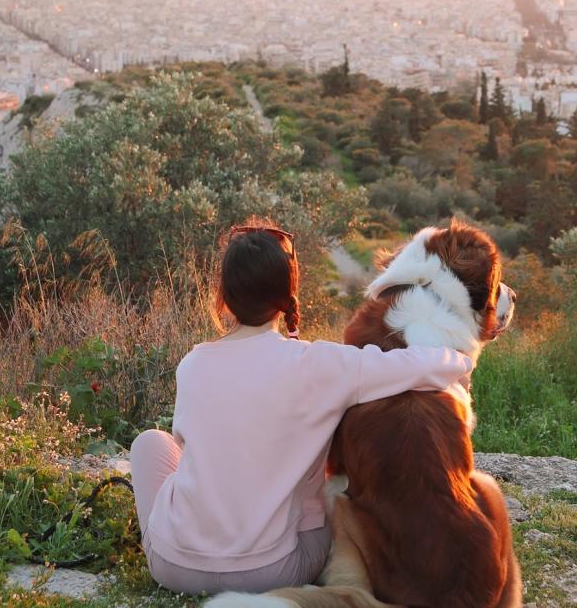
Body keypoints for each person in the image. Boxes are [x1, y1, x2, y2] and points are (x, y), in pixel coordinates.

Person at [129, 221, 474, 595]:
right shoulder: (321, 364)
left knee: (150, 443)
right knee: (322, 482)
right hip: (275, 572)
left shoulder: (193, 365)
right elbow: (418, 365)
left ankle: (186, 535)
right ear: (288, 295)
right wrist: (460, 361)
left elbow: (184, 445)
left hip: (175, 568)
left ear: (223, 297)